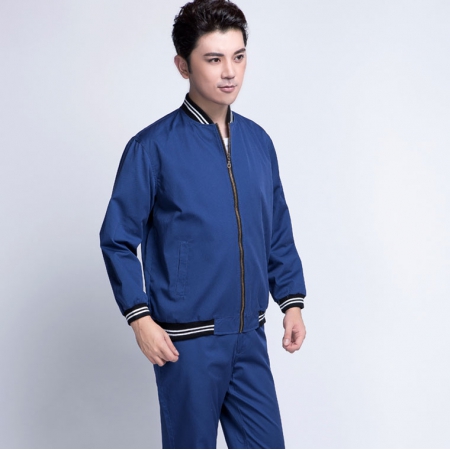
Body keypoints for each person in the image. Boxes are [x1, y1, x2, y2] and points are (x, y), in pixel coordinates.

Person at [100, 0, 307, 447]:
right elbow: (116, 239)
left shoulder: (258, 142)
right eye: (214, 59)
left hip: (249, 335)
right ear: (183, 65)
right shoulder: (152, 148)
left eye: (238, 56)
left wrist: (291, 301)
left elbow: (276, 229)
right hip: (187, 344)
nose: (230, 72)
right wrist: (140, 319)